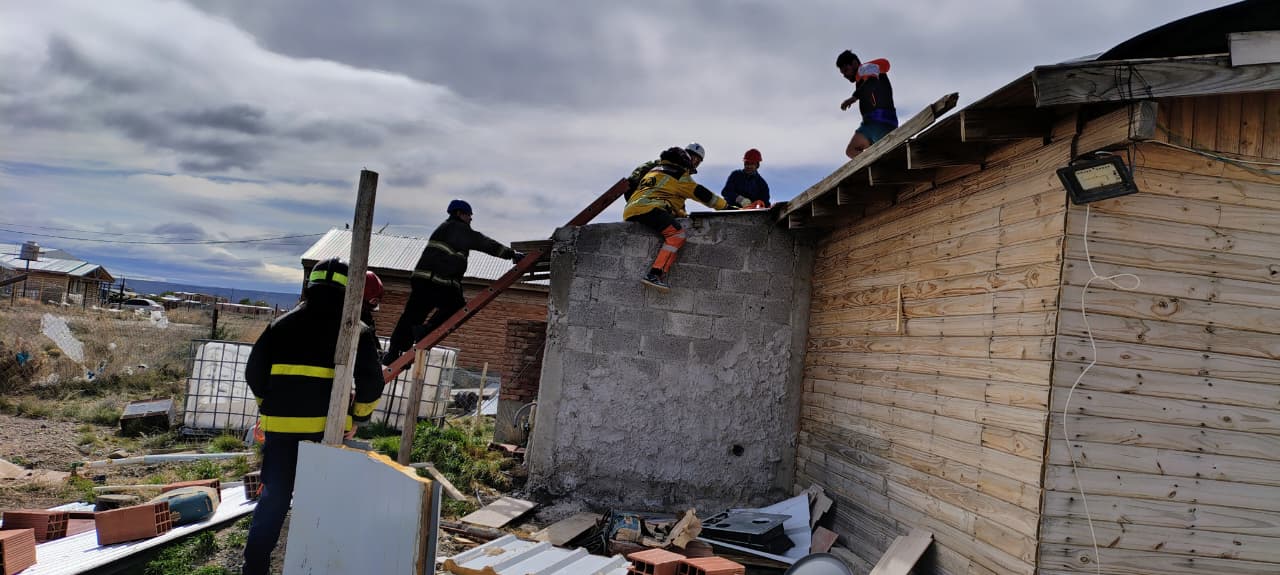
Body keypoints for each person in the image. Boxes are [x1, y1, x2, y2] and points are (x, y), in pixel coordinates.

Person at [242, 258, 385, 575]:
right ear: (351, 290)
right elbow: (372, 383)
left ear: (312, 284)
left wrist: (268, 407)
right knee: (322, 499)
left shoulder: (281, 325)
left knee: (275, 498)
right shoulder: (354, 329)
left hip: (280, 430)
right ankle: (315, 564)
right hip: (326, 431)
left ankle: (255, 567)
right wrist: (358, 418)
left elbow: (254, 372)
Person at [382, 200, 524, 367]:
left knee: (412, 316)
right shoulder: (459, 229)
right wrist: (511, 254)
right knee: (456, 305)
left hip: (423, 280)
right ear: (459, 214)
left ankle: (395, 353)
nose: (471, 219)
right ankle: (426, 330)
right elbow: (484, 243)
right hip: (439, 281)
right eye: (468, 215)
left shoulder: (444, 228)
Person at [624, 147, 736, 292]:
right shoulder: (679, 175)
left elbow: (666, 197)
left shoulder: (656, 169)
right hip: (649, 208)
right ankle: (654, 275)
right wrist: (727, 207)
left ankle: (655, 274)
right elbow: (704, 195)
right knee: (676, 236)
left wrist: (682, 214)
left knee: (671, 227)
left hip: (632, 208)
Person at [836, 50, 898, 159]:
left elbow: (872, 81)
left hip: (883, 121)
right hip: (868, 125)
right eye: (843, 73)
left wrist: (854, 97)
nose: (845, 75)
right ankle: (873, 164)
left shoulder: (866, 67)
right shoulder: (860, 78)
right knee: (851, 151)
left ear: (854, 63)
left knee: (887, 154)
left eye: (846, 70)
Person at [626, 143, 707, 201]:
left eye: (697, 161)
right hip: (643, 197)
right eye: (692, 157)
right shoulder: (666, 164)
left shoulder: (683, 175)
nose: (694, 162)